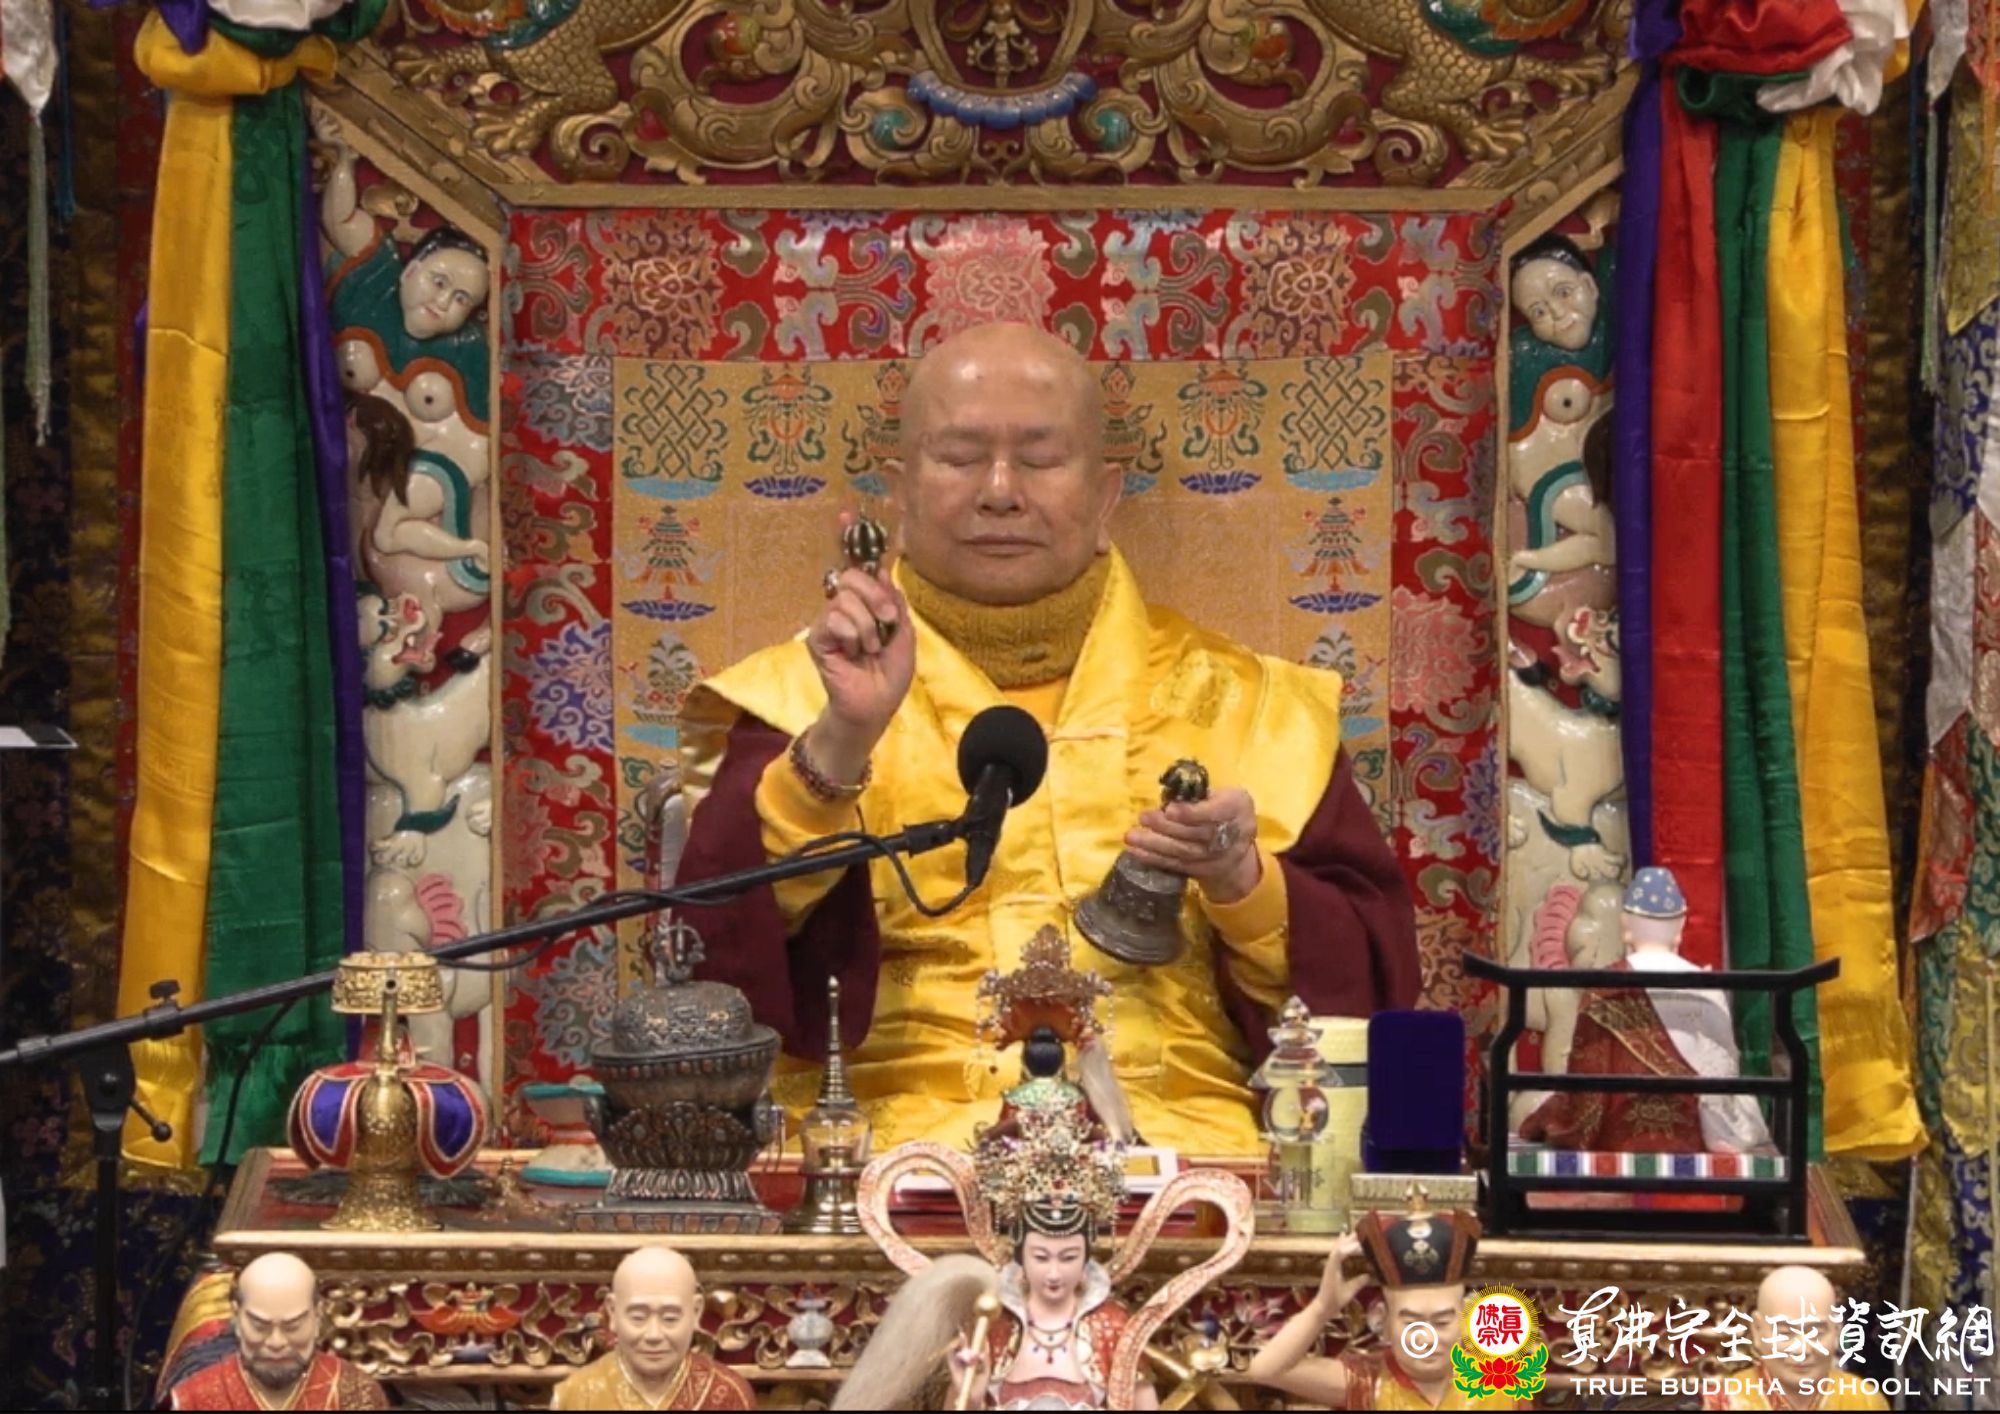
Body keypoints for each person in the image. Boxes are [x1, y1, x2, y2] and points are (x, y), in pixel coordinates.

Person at [675, 321, 1418, 1153]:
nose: (1000, 492)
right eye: (960, 457)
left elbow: (1376, 997)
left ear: (1104, 497)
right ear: (899, 493)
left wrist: (1241, 880)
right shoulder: (798, 696)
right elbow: (709, 972)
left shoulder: (1249, 705)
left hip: (1184, 1159)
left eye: (1040, 459)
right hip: (886, 1152)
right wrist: (842, 742)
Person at [1520, 867, 1770, 1154]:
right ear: (1681, 924)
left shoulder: (1605, 987)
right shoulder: (1707, 987)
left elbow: (1585, 1097)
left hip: (1617, 1140)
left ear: (1625, 923)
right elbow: (1723, 1076)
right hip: (1689, 1139)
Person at [1248, 1205, 1512, 1411]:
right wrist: (1322, 1308)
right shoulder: (1370, 1383)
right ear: (1385, 1323)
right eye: (1411, 1324)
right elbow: (1265, 1370)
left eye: (1442, 1323)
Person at [165, 1253, 387, 1410]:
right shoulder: (194, 1399)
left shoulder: (355, 1392)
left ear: (317, 1316)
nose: (276, 1342)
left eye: (293, 1326)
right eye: (260, 1326)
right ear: (237, 1316)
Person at [550, 1246, 754, 1410]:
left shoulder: (727, 1394)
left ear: (695, 1312)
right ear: (612, 1312)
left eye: (670, 1318)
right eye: (638, 1317)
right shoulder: (577, 1395)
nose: (653, 1335)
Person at [1701, 1266, 1887, 1411]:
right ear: (1757, 1331)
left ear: (1836, 1331)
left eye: (1816, 1333)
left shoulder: (1864, 1400)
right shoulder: (1726, 1401)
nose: (1801, 1350)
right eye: (1785, 1333)